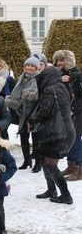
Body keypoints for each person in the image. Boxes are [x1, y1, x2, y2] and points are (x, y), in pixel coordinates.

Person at [29, 65, 76, 204]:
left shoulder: (50, 89)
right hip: (63, 130)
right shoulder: (62, 87)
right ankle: (51, 190)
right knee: (44, 160)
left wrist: (32, 120)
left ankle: (66, 195)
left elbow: (44, 111)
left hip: (58, 133)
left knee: (50, 164)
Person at [5, 56, 41, 170]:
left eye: (32, 66)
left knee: (36, 138)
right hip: (23, 112)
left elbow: (39, 96)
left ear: (36, 68)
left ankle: (38, 163)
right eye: (27, 65)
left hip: (34, 111)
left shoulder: (39, 78)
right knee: (23, 136)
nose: (29, 68)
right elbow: (17, 93)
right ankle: (27, 160)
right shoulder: (22, 78)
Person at [53, 50, 82, 181]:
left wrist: (75, 109)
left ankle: (78, 169)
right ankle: (70, 166)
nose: (59, 63)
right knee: (70, 139)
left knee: (75, 139)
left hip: (77, 113)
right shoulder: (61, 74)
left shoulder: (76, 75)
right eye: (58, 60)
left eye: (62, 60)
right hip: (67, 112)